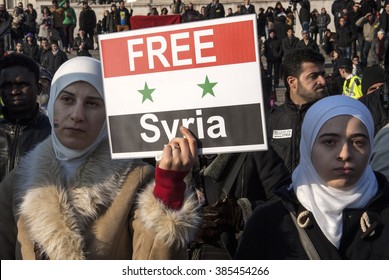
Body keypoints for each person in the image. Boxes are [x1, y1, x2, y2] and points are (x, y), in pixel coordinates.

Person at [0, 56, 200, 260]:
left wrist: (168, 192)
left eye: (92, 103)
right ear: (52, 104)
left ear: (108, 113)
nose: (77, 114)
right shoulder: (16, 183)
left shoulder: (137, 180)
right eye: (67, 99)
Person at [236, 95, 389, 259]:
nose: (345, 154)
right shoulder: (269, 222)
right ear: (308, 145)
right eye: (329, 142)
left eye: (358, 142)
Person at [267, 48, 328, 173]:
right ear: (292, 82)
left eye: (323, 74)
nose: (322, 81)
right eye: (314, 76)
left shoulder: (333, 118)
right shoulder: (270, 121)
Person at [0, 54, 51, 183]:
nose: (14, 92)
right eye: (7, 86)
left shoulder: (54, 135)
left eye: (21, 84)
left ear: (38, 88)